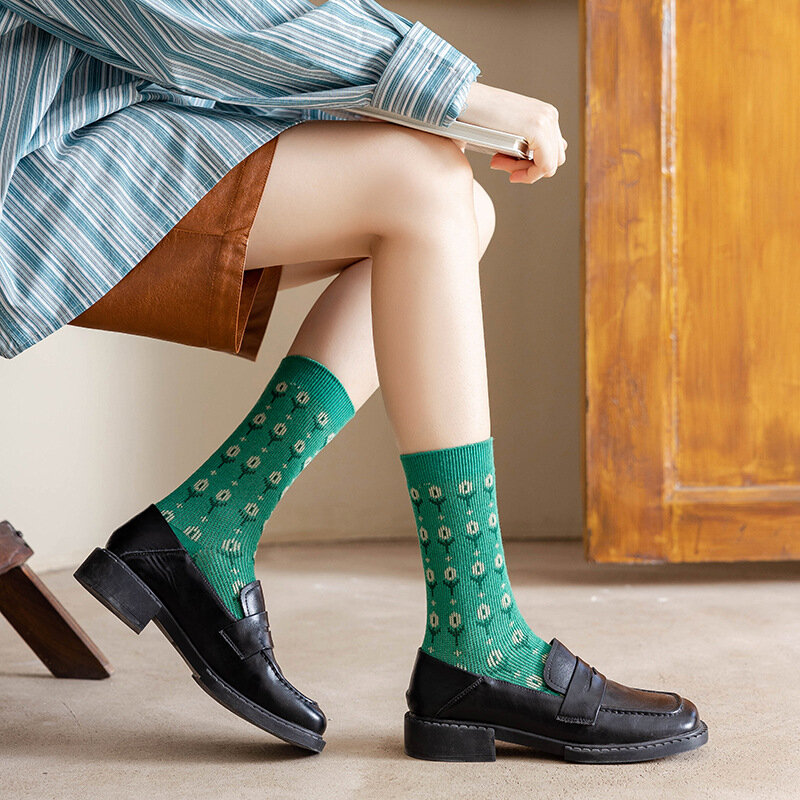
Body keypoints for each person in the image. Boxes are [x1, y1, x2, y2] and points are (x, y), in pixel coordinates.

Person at [0, 0, 707, 762]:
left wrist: (415, 97)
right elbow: (178, 17)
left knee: (457, 207)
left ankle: (213, 523)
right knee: (421, 183)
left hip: (94, 118)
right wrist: (448, 90)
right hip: (33, 153)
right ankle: (477, 637)